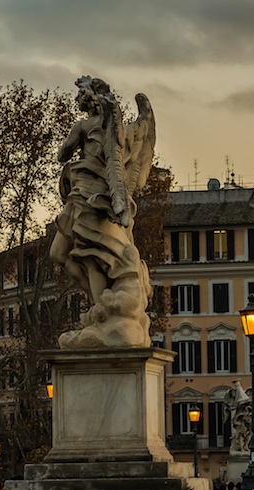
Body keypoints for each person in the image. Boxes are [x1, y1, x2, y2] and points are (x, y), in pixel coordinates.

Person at [48, 76, 156, 349]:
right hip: (78, 197)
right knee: (60, 254)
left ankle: (102, 312)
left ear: (89, 99)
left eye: (80, 94)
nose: (77, 100)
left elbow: (64, 154)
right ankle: (102, 307)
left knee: (90, 257)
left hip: (92, 199)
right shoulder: (113, 129)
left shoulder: (86, 127)